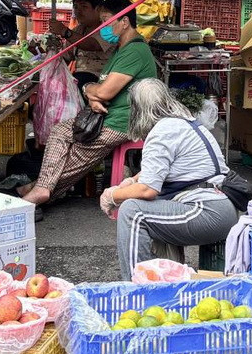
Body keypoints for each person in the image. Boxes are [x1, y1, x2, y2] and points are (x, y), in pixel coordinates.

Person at [19, 0, 157, 210]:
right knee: (60, 131)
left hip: (121, 122)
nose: (102, 27)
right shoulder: (122, 48)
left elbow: (103, 91)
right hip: (106, 115)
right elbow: (99, 88)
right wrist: (91, 93)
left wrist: (91, 92)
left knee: (76, 155)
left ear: (124, 22)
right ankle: (41, 189)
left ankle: (39, 190)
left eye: (106, 21)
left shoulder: (135, 51)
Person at [100, 79, 239, 281]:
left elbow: (148, 189)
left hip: (206, 211)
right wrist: (130, 182)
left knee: (133, 212)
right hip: (221, 206)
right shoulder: (183, 122)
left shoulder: (162, 131)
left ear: (139, 109)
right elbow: (156, 171)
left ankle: (135, 288)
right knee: (149, 206)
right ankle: (163, 281)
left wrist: (112, 195)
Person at [49, 0, 113, 88]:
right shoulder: (78, 30)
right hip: (79, 77)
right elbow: (66, 56)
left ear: (99, 9)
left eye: (84, 7)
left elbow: (92, 45)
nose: (78, 11)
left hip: (102, 79)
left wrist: (64, 31)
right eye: (75, 7)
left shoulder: (109, 29)